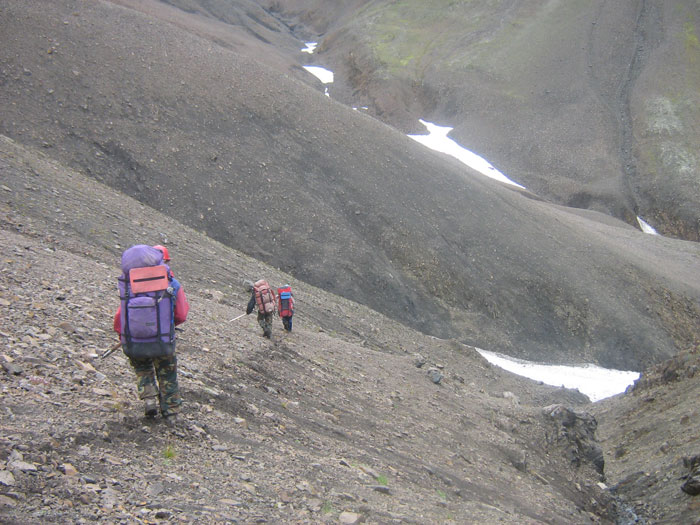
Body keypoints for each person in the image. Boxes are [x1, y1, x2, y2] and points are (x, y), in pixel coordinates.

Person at [113, 245, 189, 425]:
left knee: (143, 369)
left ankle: (149, 400)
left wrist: (122, 335)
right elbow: (181, 314)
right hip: (162, 340)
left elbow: (120, 316)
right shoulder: (172, 284)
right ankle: (171, 414)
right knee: (167, 373)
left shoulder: (128, 285)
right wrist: (167, 326)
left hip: (134, 341)